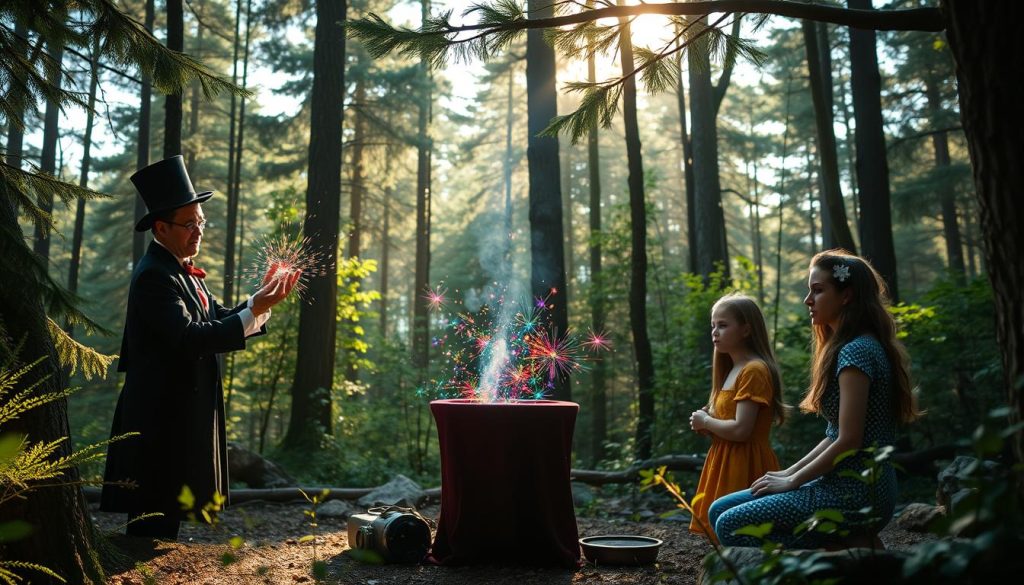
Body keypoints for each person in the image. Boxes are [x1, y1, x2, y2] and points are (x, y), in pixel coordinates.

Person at [101, 155, 301, 539]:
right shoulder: (153, 277)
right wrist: (255, 308)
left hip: (177, 415)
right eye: (189, 223)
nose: (199, 231)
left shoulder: (181, 269)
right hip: (158, 419)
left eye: (201, 222)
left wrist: (256, 304)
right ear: (161, 228)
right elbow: (191, 337)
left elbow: (215, 318)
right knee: (151, 525)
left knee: (166, 517)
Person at [708, 250, 917, 549]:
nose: (808, 299)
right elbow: (834, 434)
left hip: (856, 492)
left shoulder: (856, 352)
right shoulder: (851, 347)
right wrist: (788, 472)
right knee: (717, 510)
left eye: (818, 291)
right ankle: (844, 541)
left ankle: (844, 545)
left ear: (846, 295)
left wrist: (794, 482)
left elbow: (849, 440)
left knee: (728, 526)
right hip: (839, 482)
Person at [688, 293, 785, 542]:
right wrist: (708, 422)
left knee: (743, 535)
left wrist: (707, 422)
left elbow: (742, 430)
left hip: (746, 464)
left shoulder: (754, 370)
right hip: (724, 460)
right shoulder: (732, 369)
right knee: (725, 536)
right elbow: (729, 420)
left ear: (746, 330)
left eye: (723, 325)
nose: (715, 332)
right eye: (713, 326)